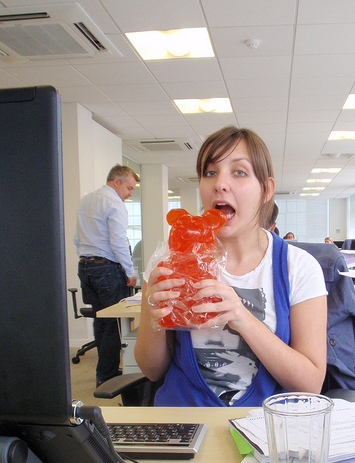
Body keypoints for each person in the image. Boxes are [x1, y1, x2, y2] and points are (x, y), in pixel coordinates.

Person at [135, 126, 328, 407]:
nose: (220, 184)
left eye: (239, 172)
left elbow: (310, 384)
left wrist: (243, 318)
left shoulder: (298, 267)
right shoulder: (170, 259)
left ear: (266, 190)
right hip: (185, 424)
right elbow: (152, 371)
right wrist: (155, 315)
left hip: (265, 430)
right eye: (210, 172)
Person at [74, 164, 140, 386]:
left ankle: (103, 372)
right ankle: (107, 375)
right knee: (114, 323)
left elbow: (77, 237)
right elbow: (118, 241)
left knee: (100, 321)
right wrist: (130, 272)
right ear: (116, 182)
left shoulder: (87, 199)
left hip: (85, 267)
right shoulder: (114, 203)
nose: (130, 194)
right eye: (129, 188)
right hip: (107, 269)